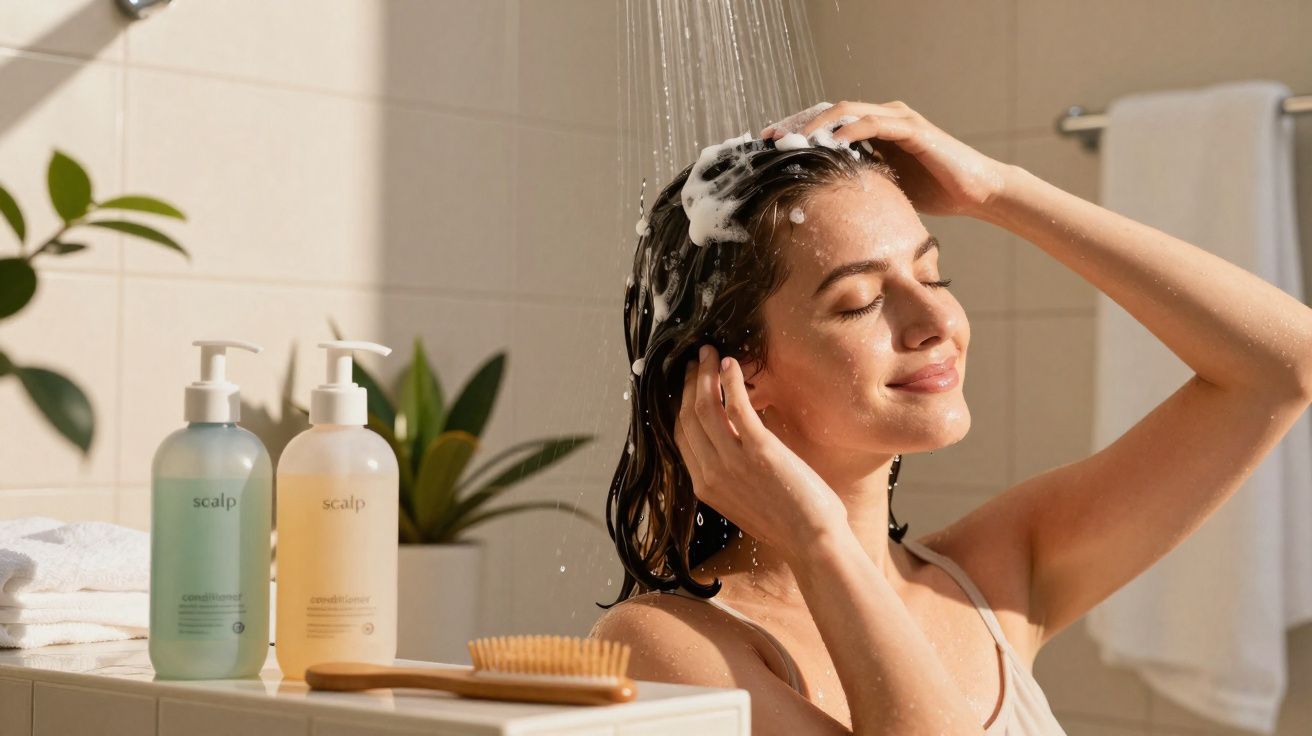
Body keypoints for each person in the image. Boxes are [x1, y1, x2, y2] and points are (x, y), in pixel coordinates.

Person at [589, 100, 1312, 735]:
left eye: (933, 275)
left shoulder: (992, 578)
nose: (936, 318)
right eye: (860, 301)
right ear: (740, 377)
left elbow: (1283, 367)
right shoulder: (666, 648)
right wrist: (818, 542)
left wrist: (999, 190)